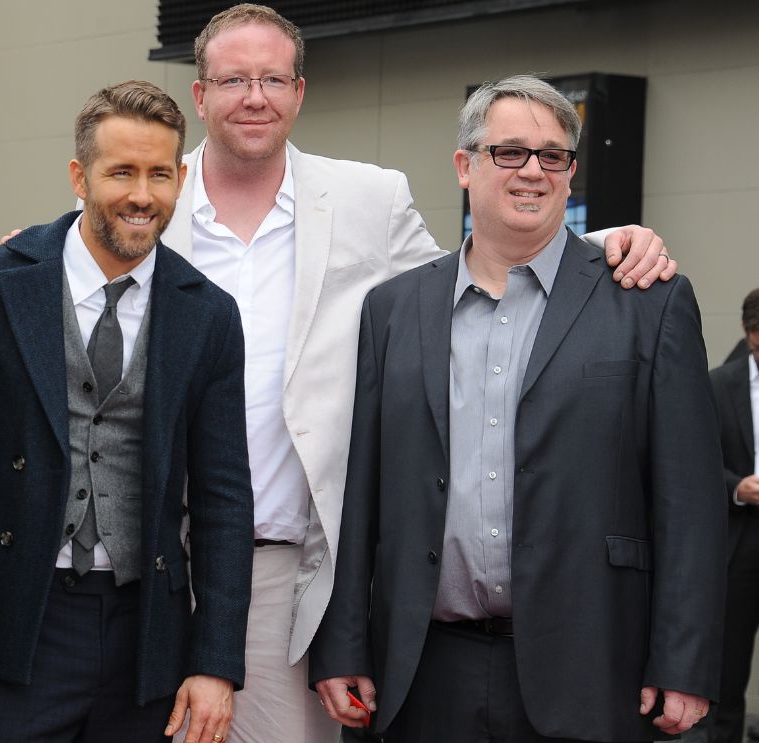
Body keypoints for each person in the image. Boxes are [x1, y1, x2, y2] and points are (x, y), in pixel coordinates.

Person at [149, 7, 683, 741]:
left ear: (299, 92)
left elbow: (478, 279)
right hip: (149, 559)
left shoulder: (367, 200)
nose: (254, 95)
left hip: (288, 570)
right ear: (199, 93)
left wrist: (597, 247)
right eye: (233, 79)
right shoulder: (144, 199)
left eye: (272, 78)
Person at [309, 74, 725, 742]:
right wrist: (342, 644)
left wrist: (685, 660)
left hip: (592, 665)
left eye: (552, 155)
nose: (532, 170)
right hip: (422, 671)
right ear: (464, 166)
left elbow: (691, 502)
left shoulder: (647, 302)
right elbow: (361, 491)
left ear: (568, 171)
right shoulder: (392, 311)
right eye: (509, 152)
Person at [0, 80, 253, 743]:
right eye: (122, 172)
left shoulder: (208, 313)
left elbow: (225, 497)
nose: (142, 194)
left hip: (147, 630)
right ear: (79, 176)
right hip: (16, 618)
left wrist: (215, 661)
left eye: (159, 174)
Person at [706, 288, 759, 743]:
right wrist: (737, 488)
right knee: (728, 669)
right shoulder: (718, 385)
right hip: (738, 546)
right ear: (749, 333)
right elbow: (698, 461)